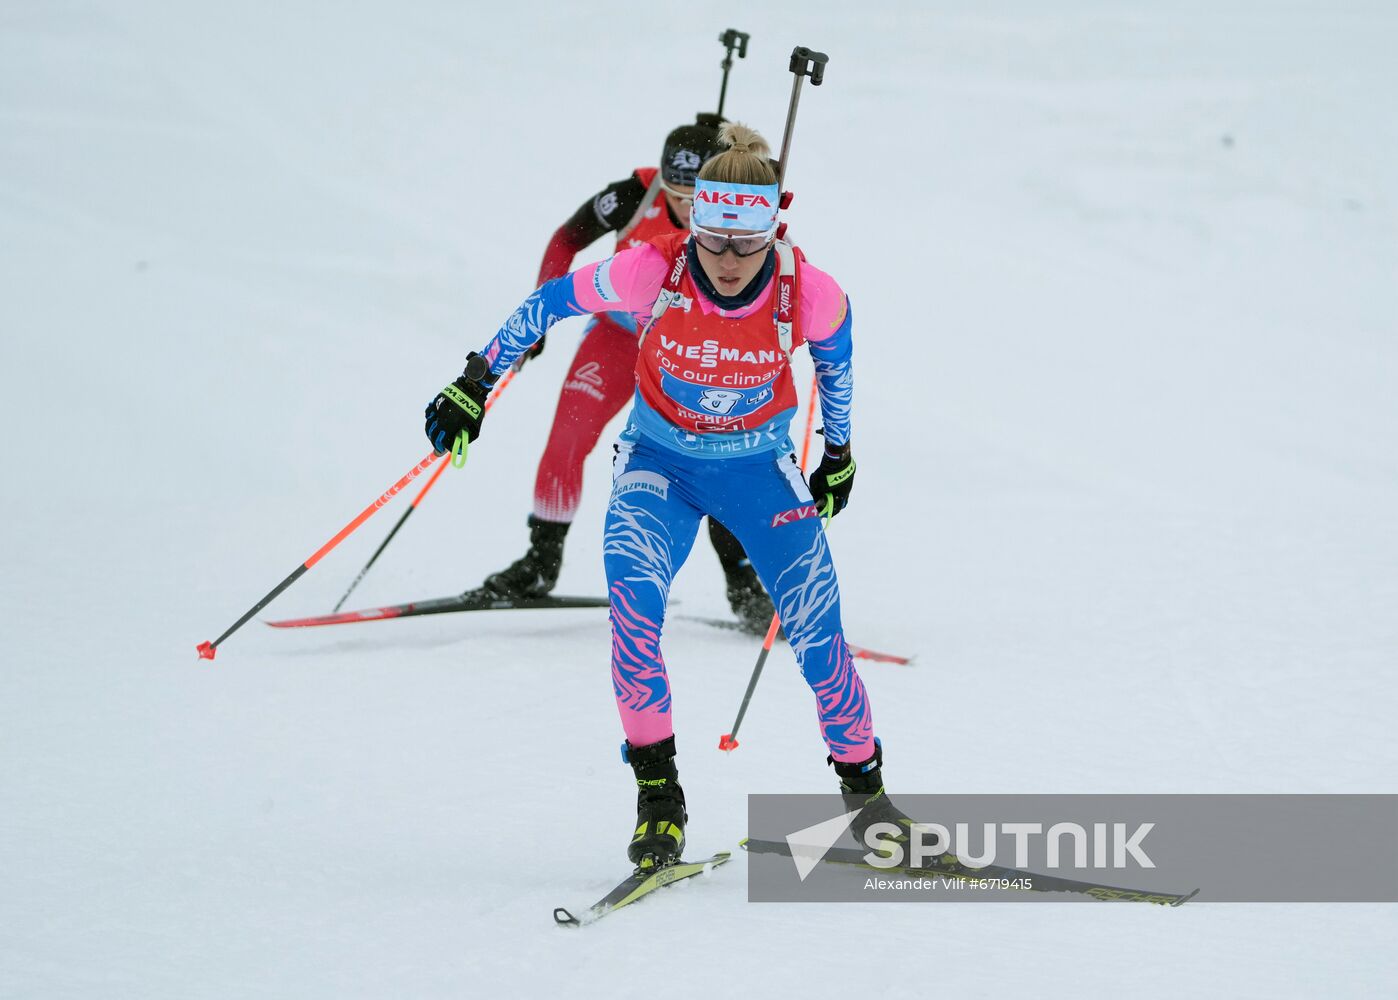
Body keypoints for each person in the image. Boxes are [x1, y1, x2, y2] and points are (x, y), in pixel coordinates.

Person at [425, 123, 912, 868]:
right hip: (659, 470)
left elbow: (837, 370)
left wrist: (838, 454)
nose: (724, 260)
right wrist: (473, 383)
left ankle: (869, 803)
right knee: (634, 616)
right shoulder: (649, 271)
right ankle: (660, 804)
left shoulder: (810, 291)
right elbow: (547, 305)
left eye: (746, 243)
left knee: (819, 634)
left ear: (773, 227)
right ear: (695, 221)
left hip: (758, 470)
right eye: (712, 238)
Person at [468, 112, 777, 634]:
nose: (682, 207)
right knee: (567, 435)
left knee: (712, 463)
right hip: (616, 339)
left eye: (690, 196)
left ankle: (745, 589)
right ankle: (539, 564)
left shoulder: (728, 216)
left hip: (687, 352)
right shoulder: (633, 197)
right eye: (673, 193)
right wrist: (536, 323)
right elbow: (566, 238)